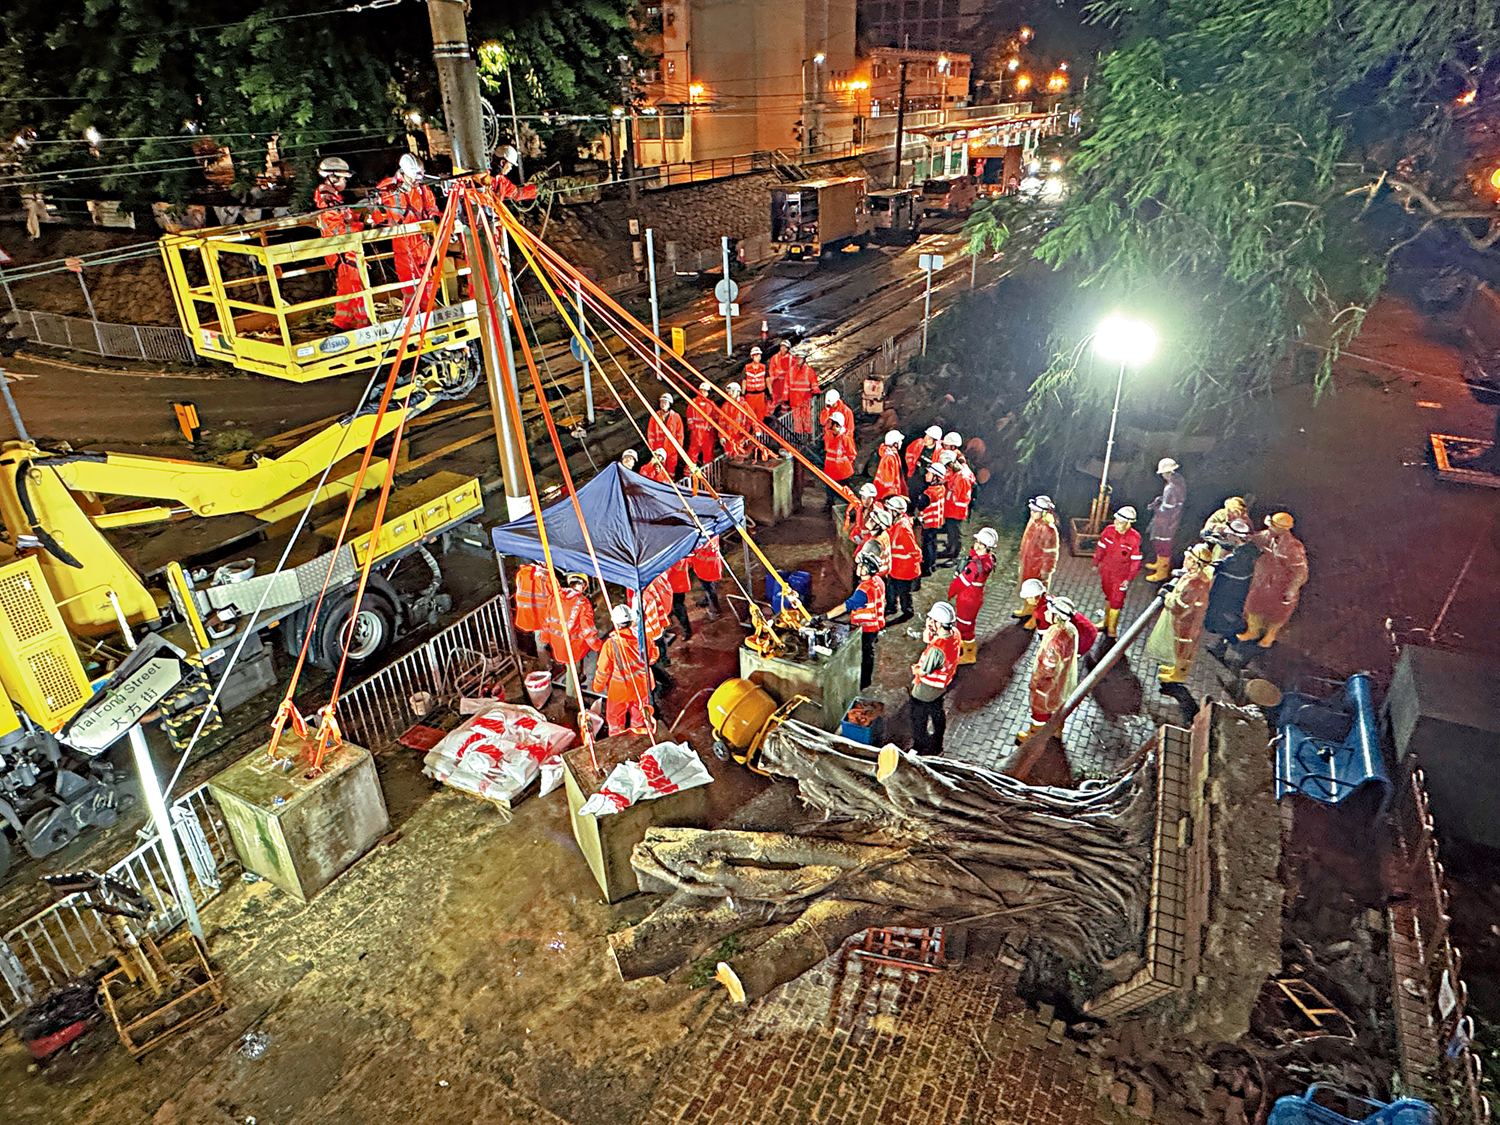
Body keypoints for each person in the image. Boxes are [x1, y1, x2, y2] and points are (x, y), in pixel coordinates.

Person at [372, 154, 440, 306]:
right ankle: (412, 319)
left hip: (423, 242)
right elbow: (376, 207)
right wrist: (382, 221)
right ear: (405, 173)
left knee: (428, 285)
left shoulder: (421, 188)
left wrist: (434, 216)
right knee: (410, 287)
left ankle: (429, 315)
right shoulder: (389, 187)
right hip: (403, 243)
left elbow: (431, 206)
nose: (417, 181)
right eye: (414, 178)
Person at [313, 157, 372, 331]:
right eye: (343, 178)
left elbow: (347, 220)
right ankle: (364, 324)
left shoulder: (335, 201)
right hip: (345, 255)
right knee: (357, 289)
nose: (345, 182)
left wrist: (359, 218)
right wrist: (361, 225)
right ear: (332, 178)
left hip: (345, 255)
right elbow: (342, 232)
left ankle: (341, 323)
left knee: (346, 291)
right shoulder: (328, 206)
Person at [1238, 512, 1308, 648]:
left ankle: (1269, 636)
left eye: (1273, 526)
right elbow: (1253, 539)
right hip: (1263, 581)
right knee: (1253, 605)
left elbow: (1300, 571)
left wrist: (1292, 589)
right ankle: (1252, 631)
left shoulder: (1293, 547)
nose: (1270, 528)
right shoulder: (1266, 536)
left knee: (1277, 613)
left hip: (1281, 585)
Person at [1147, 544, 1215, 683]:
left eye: (1189, 558)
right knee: (1179, 647)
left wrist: (1167, 597)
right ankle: (1175, 669)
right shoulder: (1194, 576)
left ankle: (1179, 675)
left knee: (1184, 648)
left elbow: (1179, 606)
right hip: (1186, 621)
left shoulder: (1194, 583)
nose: (1185, 560)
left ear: (1196, 563)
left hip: (1187, 622)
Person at [1017, 594, 1079, 743]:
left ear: (1057, 616)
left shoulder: (1055, 640)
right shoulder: (1070, 629)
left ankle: (1033, 738)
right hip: (1064, 680)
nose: (1046, 613)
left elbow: (1048, 668)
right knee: (1057, 708)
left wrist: (1036, 683)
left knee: (1040, 709)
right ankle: (1057, 731)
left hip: (1048, 686)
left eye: (1049, 612)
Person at [824, 554, 886, 688]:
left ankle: (863, 683)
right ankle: (866, 680)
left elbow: (845, 607)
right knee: (869, 651)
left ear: (868, 570)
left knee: (864, 655)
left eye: (861, 566)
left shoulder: (863, 592)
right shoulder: (878, 581)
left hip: (865, 628)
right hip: (877, 623)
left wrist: (825, 616)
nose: (858, 568)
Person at [593, 603, 655, 736]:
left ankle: (618, 742)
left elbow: (603, 670)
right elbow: (653, 657)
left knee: (615, 722)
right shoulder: (643, 638)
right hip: (642, 686)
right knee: (640, 719)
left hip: (620, 690)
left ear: (615, 622)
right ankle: (638, 740)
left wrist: (598, 687)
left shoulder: (610, 645)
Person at [909, 601, 960, 755]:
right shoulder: (955, 633)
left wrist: (916, 669)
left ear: (938, 623)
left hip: (926, 689)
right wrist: (929, 635)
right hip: (942, 685)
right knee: (937, 712)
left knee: (918, 717)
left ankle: (919, 746)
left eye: (932, 620)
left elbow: (924, 671)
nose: (929, 622)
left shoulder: (937, 650)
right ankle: (938, 746)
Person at [947, 526, 998, 664]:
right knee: (968, 624)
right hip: (975, 596)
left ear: (985, 546)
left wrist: (951, 592)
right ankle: (965, 647)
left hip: (968, 597)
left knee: (964, 626)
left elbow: (960, 582)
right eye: (976, 541)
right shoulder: (988, 559)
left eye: (980, 543)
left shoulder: (975, 565)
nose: (976, 544)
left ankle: (969, 655)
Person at [545, 573, 603, 694]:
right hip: (573, 647)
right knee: (572, 672)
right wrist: (599, 648)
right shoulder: (583, 603)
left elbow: (546, 621)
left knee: (570, 667)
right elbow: (588, 632)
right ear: (582, 586)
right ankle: (571, 699)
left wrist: (545, 639)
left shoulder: (555, 597)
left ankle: (577, 681)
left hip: (556, 643)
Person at [1203, 518, 1257, 643]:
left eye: (1229, 535)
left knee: (1222, 607)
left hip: (1229, 585)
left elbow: (1222, 564)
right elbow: (1229, 546)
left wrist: (1209, 568)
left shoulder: (1237, 557)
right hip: (1240, 584)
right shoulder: (1248, 548)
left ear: (1235, 537)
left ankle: (1227, 636)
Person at [1092, 505, 1142, 638]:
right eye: (1116, 520)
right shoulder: (1108, 531)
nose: (1116, 524)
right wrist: (1096, 562)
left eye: (1120, 522)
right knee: (1108, 595)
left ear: (1128, 524)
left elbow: (1135, 561)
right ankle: (1106, 622)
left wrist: (1129, 578)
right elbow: (1101, 547)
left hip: (1121, 576)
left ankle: (1112, 629)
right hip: (1107, 571)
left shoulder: (1134, 538)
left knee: (1117, 599)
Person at [1015, 495, 1059, 627]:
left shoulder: (1049, 529)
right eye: (1032, 510)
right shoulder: (1032, 521)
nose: (1032, 513)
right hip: (1029, 563)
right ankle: (1028, 610)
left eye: (1035, 511)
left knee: (1038, 594)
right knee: (1027, 588)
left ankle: (1036, 618)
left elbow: (1051, 553)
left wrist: (1046, 571)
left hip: (1039, 567)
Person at [878, 495, 922, 622]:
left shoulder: (903, 528)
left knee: (903, 592)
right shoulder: (898, 523)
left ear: (895, 512)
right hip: (897, 567)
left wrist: (917, 560)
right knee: (891, 588)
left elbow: (913, 550)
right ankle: (891, 607)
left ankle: (908, 611)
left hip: (904, 568)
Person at [1145, 456, 1187, 581]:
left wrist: (1156, 507)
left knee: (1162, 543)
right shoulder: (1178, 480)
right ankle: (1160, 562)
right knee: (1161, 543)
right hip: (1171, 518)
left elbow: (1167, 508)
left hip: (1167, 521)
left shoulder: (1170, 487)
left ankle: (1162, 571)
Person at [1033, 589, 1100, 655]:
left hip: (1082, 646)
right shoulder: (1072, 617)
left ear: (1056, 617)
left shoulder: (1061, 633)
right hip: (1090, 634)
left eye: (1049, 612)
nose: (1045, 613)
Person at [513, 561, 555, 664]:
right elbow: (556, 596)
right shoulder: (547, 578)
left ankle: (546, 666)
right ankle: (555, 663)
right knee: (555, 642)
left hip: (531, 617)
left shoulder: (521, 574)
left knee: (540, 646)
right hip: (547, 618)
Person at [937, 448, 974, 561]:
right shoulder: (958, 474)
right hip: (952, 509)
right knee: (951, 530)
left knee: (955, 532)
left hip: (956, 511)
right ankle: (949, 548)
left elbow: (961, 497)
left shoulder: (962, 478)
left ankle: (954, 553)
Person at [917, 461, 948, 578]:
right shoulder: (941, 488)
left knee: (927, 545)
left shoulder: (929, 493)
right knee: (933, 543)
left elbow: (920, 505)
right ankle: (932, 563)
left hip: (929, 523)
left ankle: (927, 567)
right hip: (937, 521)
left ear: (935, 477)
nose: (926, 475)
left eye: (929, 473)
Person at [647, 393, 685, 478]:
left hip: (672, 449)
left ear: (669, 404)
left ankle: (671, 485)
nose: (663, 404)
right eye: (662, 402)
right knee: (659, 470)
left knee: (671, 470)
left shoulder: (676, 417)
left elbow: (680, 434)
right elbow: (651, 434)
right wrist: (652, 449)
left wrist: (679, 449)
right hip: (658, 449)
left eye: (665, 402)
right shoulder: (654, 417)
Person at [823, 416, 856, 505]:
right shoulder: (829, 435)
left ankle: (848, 506)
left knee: (845, 493)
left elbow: (852, 454)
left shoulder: (845, 438)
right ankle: (830, 506)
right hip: (831, 470)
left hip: (842, 472)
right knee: (830, 492)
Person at [691, 532, 724, 619]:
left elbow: (698, 547)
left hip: (707, 569)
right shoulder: (713, 531)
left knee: (710, 589)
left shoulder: (703, 540)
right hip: (706, 567)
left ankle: (716, 610)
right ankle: (708, 601)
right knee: (709, 588)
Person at [788, 348, 818, 435]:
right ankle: (799, 435)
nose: (798, 360)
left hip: (805, 401)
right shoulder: (791, 371)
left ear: (804, 359)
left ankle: (808, 435)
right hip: (795, 401)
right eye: (796, 358)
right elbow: (787, 385)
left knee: (807, 418)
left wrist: (816, 391)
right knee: (797, 420)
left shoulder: (809, 371)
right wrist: (785, 398)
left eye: (799, 358)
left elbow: (814, 382)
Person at [687, 382, 719, 466]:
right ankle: (689, 475)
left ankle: (707, 475)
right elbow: (689, 416)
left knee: (708, 456)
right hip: (696, 433)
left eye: (705, 391)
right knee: (692, 455)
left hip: (707, 434)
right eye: (701, 391)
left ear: (708, 393)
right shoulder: (693, 403)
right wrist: (692, 427)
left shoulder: (711, 404)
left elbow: (715, 417)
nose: (703, 393)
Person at [666, 555, 694, 640]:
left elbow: (673, 568)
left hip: (676, 587)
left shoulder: (677, 555)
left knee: (679, 609)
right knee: (675, 608)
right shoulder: (681, 550)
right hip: (677, 585)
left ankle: (687, 631)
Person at [720, 382, 751, 459]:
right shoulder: (725, 406)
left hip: (740, 437)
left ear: (738, 392)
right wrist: (722, 436)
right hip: (729, 437)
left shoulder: (744, 405)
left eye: (732, 391)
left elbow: (752, 418)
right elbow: (721, 423)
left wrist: (757, 430)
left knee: (740, 457)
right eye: (729, 391)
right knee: (729, 458)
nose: (730, 393)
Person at [843, 482, 879, 548]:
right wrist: (856, 535)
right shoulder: (860, 509)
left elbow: (878, 532)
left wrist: (864, 538)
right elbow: (858, 525)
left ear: (873, 498)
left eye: (869, 498)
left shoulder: (877, 511)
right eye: (864, 498)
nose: (866, 501)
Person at [873, 430, 905, 499]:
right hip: (887, 493)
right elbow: (889, 481)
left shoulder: (890, 454)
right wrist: (891, 494)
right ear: (895, 444)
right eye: (900, 441)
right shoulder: (890, 458)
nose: (901, 443)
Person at [742, 346, 769, 420]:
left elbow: (767, 380)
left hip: (760, 395)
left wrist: (770, 392)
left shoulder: (764, 367)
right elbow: (744, 381)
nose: (758, 357)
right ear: (752, 357)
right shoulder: (747, 368)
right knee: (750, 415)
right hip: (750, 395)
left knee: (761, 415)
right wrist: (743, 394)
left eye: (759, 355)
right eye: (755, 355)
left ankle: (760, 430)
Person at [768, 340, 794, 413]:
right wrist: (773, 378)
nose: (782, 349)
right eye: (782, 346)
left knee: (785, 402)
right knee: (775, 401)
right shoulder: (775, 357)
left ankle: (784, 417)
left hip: (786, 385)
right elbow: (771, 370)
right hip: (776, 385)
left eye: (784, 347)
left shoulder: (791, 359)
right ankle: (771, 416)